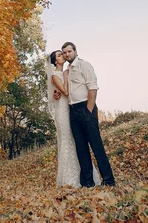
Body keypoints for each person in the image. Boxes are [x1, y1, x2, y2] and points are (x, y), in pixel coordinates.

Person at [61, 41, 115, 187]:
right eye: (64, 52)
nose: (67, 54)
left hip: (86, 108)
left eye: (69, 51)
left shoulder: (84, 66)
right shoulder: (67, 71)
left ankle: (108, 180)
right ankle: (87, 183)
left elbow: (93, 88)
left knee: (96, 145)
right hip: (73, 111)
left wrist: (89, 110)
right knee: (81, 148)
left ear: (75, 52)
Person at [47, 50, 100, 188]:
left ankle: (84, 176)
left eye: (62, 54)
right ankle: (68, 178)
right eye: (59, 55)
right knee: (67, 140)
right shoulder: (55, 75)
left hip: (71, 109)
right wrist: (60, 89)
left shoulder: (67, 72)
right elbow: (65, 91)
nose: (62, 56)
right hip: (62, 112)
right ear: (54, 61)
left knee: (77, 142)